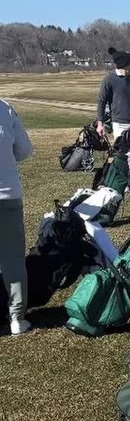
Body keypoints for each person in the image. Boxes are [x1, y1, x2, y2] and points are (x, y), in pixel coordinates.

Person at [0, 98, 34, 336]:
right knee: (12, 260)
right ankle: (16, 318)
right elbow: (24, 150)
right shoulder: (5, 109)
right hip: (8, 195)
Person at [96, 49, 130, 158]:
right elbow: (101, 101)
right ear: (125, 66)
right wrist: (100, 123)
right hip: (120, 124)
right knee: (122, 155)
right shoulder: (109, 80)